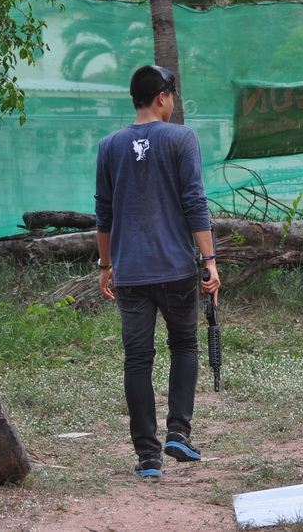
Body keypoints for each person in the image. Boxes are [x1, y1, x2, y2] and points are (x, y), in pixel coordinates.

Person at [94, 64, 221, 479]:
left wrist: (106, 266)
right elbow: (194, 202)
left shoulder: (109, 146)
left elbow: (104, 214)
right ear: (163, 96)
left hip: (130, 272)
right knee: (183, 346)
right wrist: (209, 261)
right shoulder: (182, 138)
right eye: (173, 96)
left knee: (137, 359)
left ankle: (148, 457)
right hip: (175, 269)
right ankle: (178, 433)